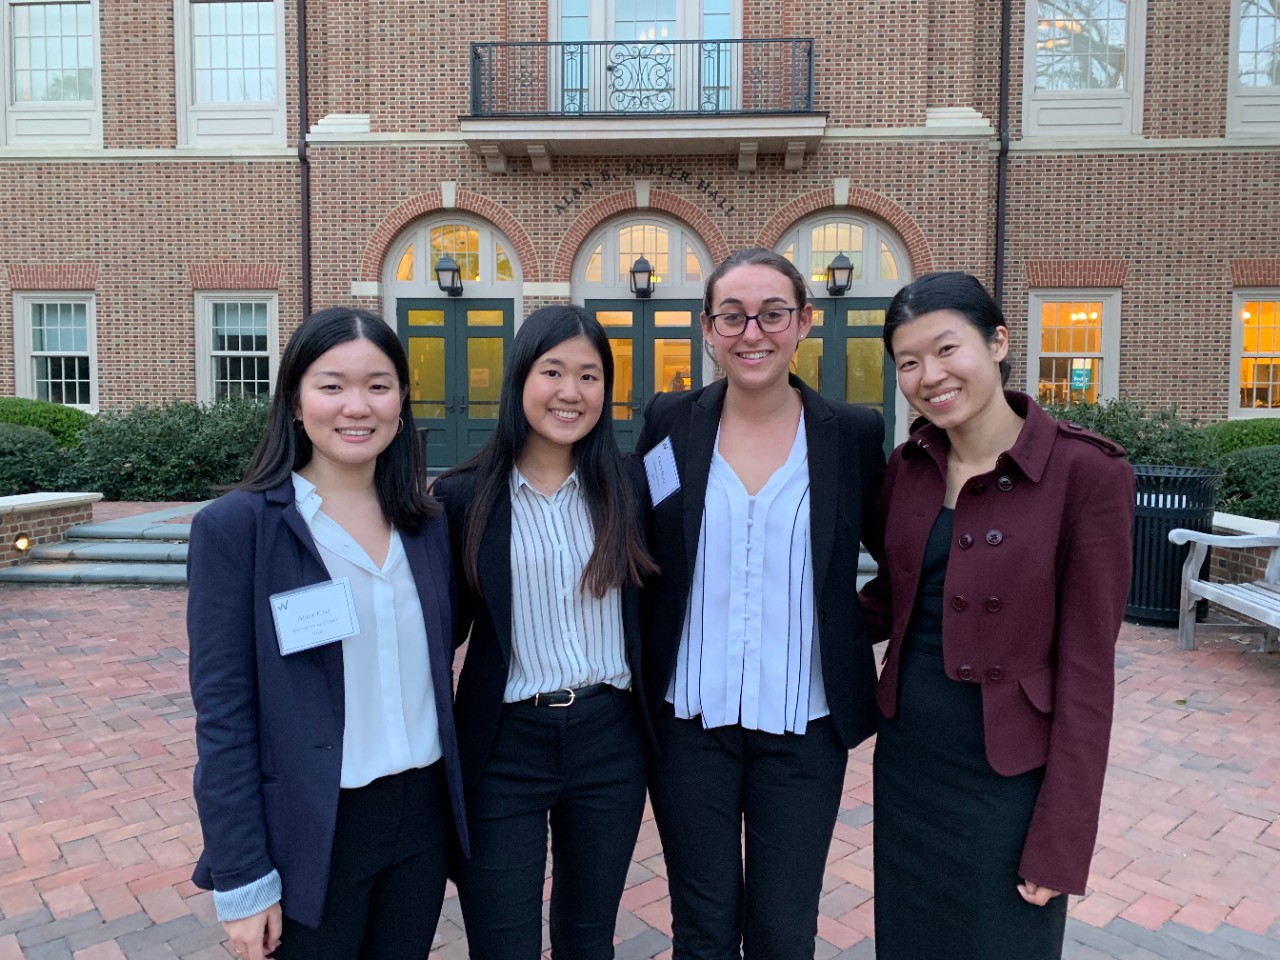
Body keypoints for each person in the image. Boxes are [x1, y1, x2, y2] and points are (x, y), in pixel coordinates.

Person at [860, 272, 1135, 959]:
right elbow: (891, 601)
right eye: (909, 362)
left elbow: (1087, 673)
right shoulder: (909, 465)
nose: (930, 375)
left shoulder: (1087, 474)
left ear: (998, 342)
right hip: (910, 765)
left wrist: (1062, 839)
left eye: (947, 349)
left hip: (1010, 780)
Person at [187, 306, 467, 960]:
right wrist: (243, 880)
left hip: (420, 822)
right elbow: (224, 715)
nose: (356, 406)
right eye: (332, 384)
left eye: (378, 385)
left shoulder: (427, 526)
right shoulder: (239, 531)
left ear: (401, 401)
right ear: (295, 400)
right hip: (314, 829)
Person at [636, 247, 886, 959]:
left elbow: (904, 557)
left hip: (804, 729)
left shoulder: (852, 433)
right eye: (733, 316)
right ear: (707, 329)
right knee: (703, 928)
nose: (753, 333)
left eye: (773, 314)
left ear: (804, 321)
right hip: (689, 725)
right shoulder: (669, 422)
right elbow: (643, 543)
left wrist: (839, 627)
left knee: (783, 930)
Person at [433, 304, 657, 960]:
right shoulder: (463, 497)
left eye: (590, 377)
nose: (571, 392)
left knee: (589, 939)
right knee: (502, 942)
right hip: (504, 745)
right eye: (553, 371)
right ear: (520, 380)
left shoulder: (632, 484)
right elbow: (437, 632)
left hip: (609, 741)